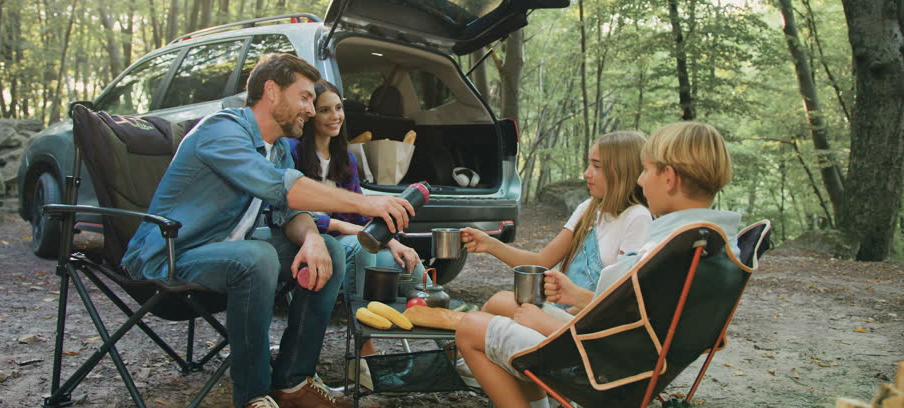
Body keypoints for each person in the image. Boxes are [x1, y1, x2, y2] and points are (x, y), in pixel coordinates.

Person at [123, 53, 414, 408]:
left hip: (232, 252)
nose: (311, 109)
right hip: (173, 254)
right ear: (272, 92)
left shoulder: (278, 150)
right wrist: (368, 205)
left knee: (331, 250)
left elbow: (291, 210)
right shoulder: (221, 130)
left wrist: (311, 239)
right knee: (257, 256)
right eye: (305, 97)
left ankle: (293, 380)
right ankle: (254, 396)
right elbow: (282, 187)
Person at [455, 121, 742, 408]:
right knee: (500, 305)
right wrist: (571, 298)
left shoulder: (668, 249)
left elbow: (617, 329)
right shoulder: (719, 248)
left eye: (646, 171)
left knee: (469, 327)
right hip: (631, 361)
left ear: (668, 177)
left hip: (602, 365)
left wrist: (546, 323)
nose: (640, 181)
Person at [287, 80, 425, 390]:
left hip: (352, 234)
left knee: (412, 265)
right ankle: (364, 353)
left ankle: (449, 352)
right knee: (362, 249)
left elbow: (361, 214)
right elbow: (297, 213)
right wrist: (353, 231)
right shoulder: (293, 152)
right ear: (310, 115)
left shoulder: (345, 158)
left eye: (338, 108)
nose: (335, 116)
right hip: (311, 238)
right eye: (324, 110)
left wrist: (393, 241)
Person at [460, 131, 651, 321]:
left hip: (592, 318)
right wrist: (489, 244)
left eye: (596, 166)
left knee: (497, 303)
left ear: (622, 171)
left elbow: (622, 295)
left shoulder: (637, 217)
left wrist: (575, 306)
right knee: (488, 313)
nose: (586, 173)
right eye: (589, 164)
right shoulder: (589, 208)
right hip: (563, 310)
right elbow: (541, 261)